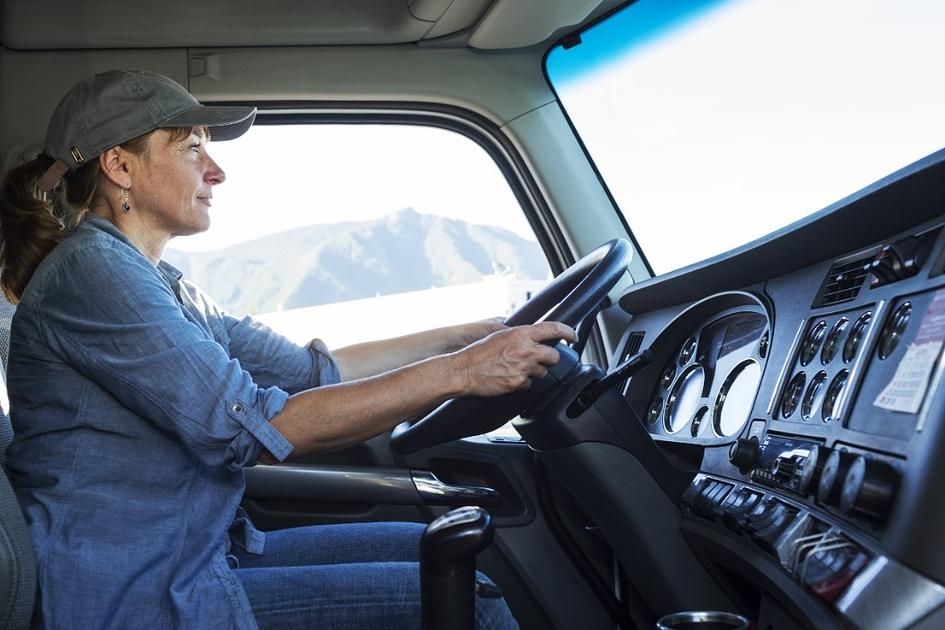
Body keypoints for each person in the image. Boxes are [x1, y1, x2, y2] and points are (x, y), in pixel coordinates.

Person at [0, 70, 575, 629]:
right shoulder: (92, 273)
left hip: (193, 554)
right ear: (119, 166)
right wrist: (462, 373)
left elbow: (311, 371)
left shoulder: (162, 283)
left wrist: (463, 338)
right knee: (468, 596)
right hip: (131, 590)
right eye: (192, 148)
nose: (216, 170)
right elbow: (251, 431)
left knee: (434, 543)